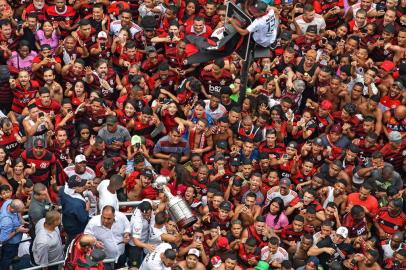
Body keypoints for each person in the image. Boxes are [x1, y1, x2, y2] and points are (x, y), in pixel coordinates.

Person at [0, 199, 29, 270]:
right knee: (7, 259)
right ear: (12, 209)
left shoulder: (9, 202)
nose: (19, 213)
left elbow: (17, 212)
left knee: (10, 256)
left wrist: (21, 219)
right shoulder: (6, 221)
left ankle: (11, 259)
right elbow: (2, 239)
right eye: (18, 211)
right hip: (10, 244)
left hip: (15, 242)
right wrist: (18, 230)